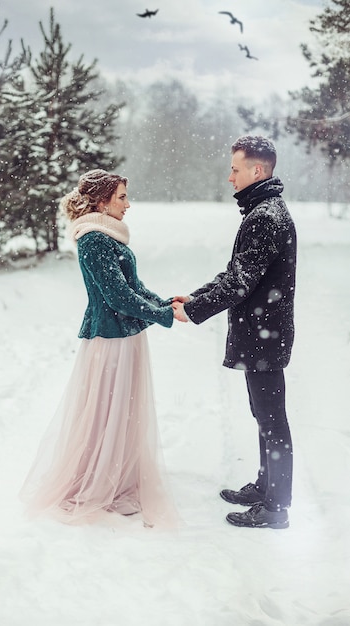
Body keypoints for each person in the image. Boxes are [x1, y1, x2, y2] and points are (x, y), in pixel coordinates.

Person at [20, 169, 178, 528]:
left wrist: (166, 305)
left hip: (127, 336)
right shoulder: (94, 239)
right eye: (122, 197)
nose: (128, 204)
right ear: (102, 201)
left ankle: (118, 474)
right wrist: (162, 316)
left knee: (123, 410)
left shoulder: (111, 237)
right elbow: (117, 297)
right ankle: (97, 481)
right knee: (107, 410)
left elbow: (134, 287)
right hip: (109, 340)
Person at [172, 135, 296, 529]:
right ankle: (265, 487)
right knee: (264, 416)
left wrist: (194, 311)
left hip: (265, 335)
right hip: (261, 333)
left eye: (235, 169)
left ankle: (275, 509)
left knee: (272, 421)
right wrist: (196, 296)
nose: (230, 177)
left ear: (256, 171)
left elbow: (240, 283)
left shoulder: (266, 217)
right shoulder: (262, 211)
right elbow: (236, 274)